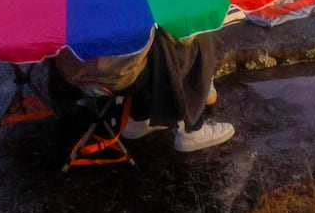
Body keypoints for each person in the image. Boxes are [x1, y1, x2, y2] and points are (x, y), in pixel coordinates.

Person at [58, 32, 233, 153]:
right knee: (197, 38)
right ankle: (192, 129)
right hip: (117, 77)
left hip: (72, 75)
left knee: (151, 42)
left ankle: (139, 116)